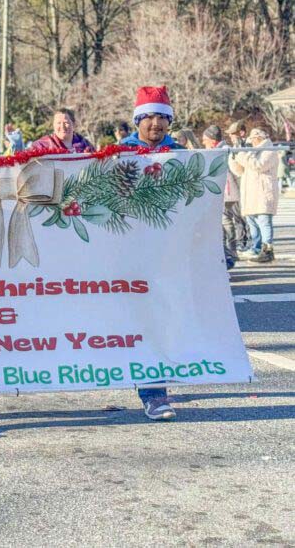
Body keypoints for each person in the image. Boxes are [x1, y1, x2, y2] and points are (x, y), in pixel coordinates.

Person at [118, 85, 179, 421]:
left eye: (162, 117)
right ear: (138, 120)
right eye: (149, 117)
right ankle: (151, 391)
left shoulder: (182, 154)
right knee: (137, 321)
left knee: (161, 321)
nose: (156, 123)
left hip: (169, 254)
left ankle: (155, 389)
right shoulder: (120, 154)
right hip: (129, 253)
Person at [230, 127, 281, 264]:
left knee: (264, 221)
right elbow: (239, 170)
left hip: (263, 192)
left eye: (252, 138)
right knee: (252, 222)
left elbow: (258, 165)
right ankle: (256, 248)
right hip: (251, 192)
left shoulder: (269, 150)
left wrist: (243, 154)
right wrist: (235, 155)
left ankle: (267, 249)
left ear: (259, 138)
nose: (251, 141)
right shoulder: (251, 152)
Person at [203, 125, 243, 269]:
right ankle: (228, 251)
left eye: (205, 140)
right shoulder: (216, 149)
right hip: (222, 191)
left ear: (212, 140)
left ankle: (230, 250)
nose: (203, 142)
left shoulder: (223, 150)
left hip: (226, 191)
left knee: (226, 221)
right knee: (223, 221)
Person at [29, 108, 95, 153]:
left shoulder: (85, 145)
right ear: (53, 125)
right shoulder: (41, 146)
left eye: (66, 123)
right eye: (58, 123)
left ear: (74, 124)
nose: (62, 127)